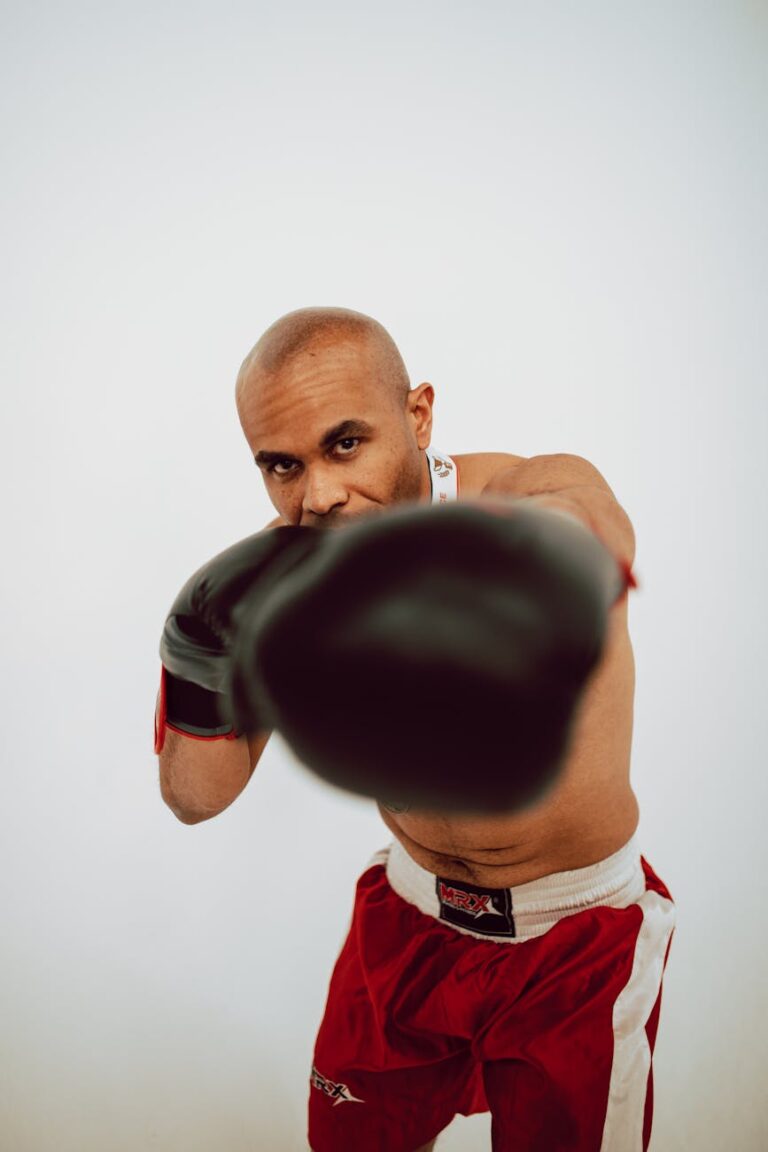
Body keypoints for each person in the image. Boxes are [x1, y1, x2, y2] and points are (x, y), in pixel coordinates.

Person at [155, 307, 676, 1152]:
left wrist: (518, 566)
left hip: (575, 946)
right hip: (409, 923)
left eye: (345, 444)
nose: (317, 495)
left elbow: (591, 519)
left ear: (419, 414)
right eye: (280, 466)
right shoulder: (281, 580)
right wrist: (199, 657)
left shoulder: (516, 490)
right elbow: (195, 797)